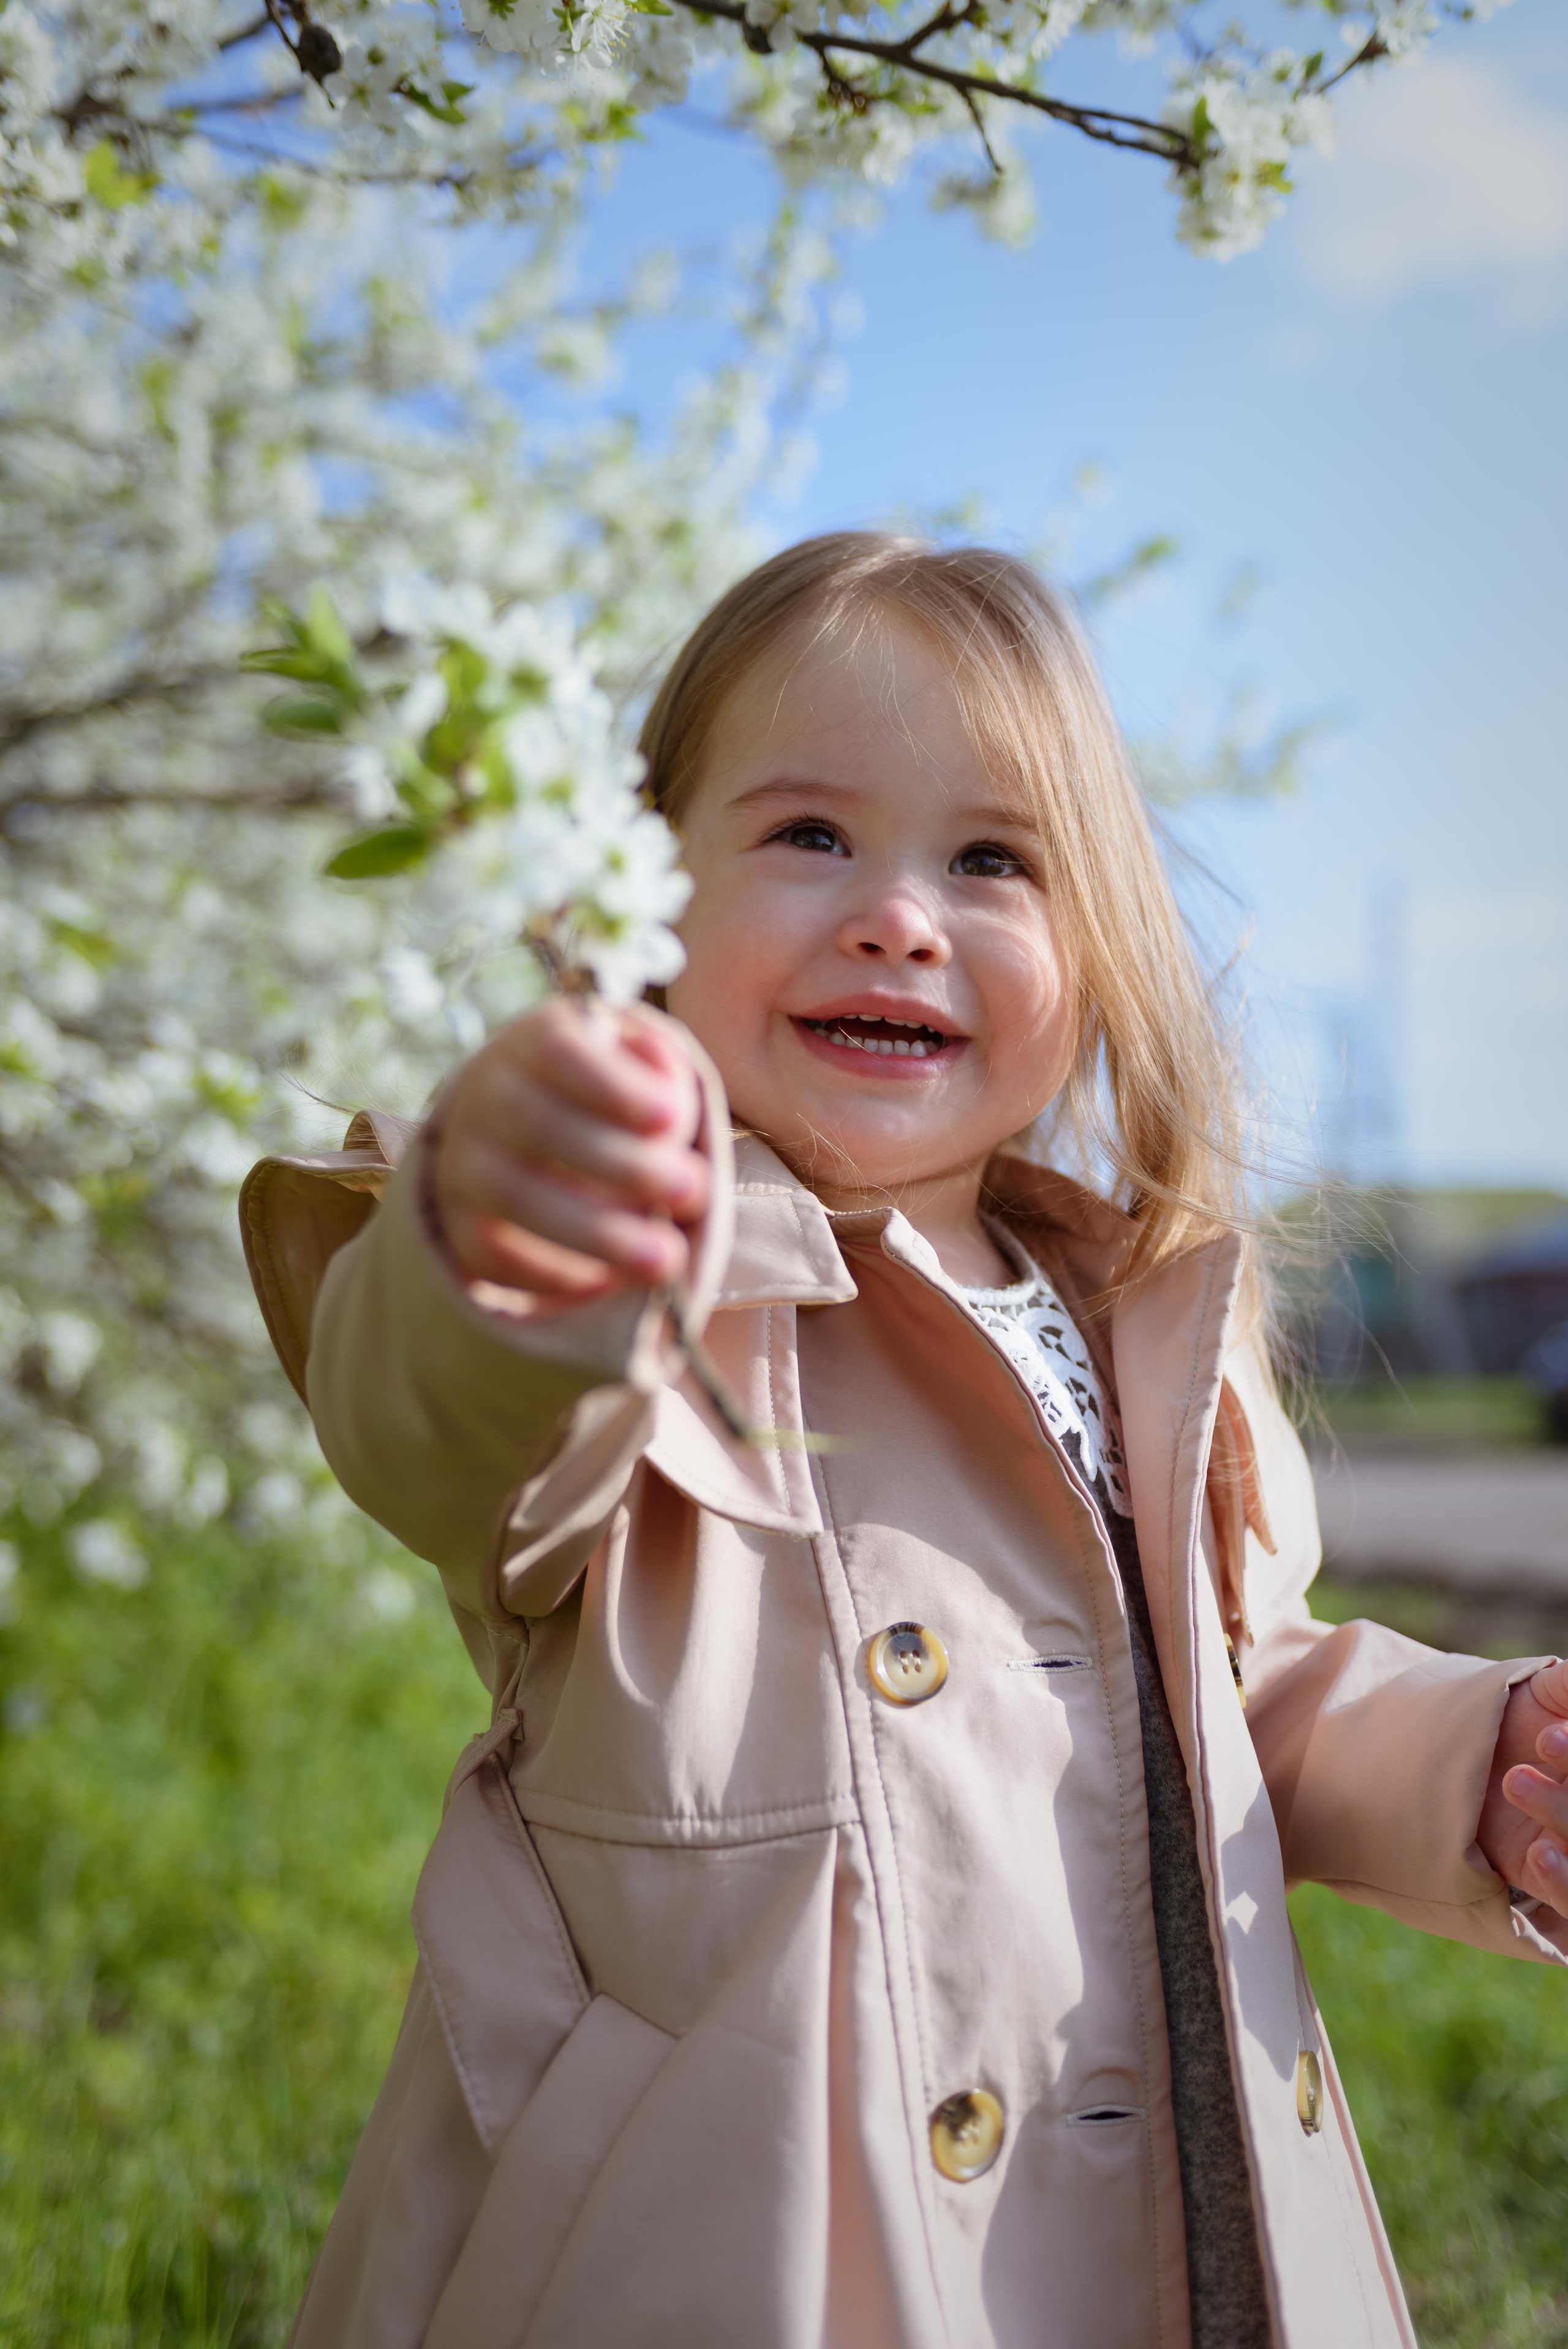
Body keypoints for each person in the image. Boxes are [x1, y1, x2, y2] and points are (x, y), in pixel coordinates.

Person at [241, 534, 1568, 2349]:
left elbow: (1238, 1704)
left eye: (993, 860)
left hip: (1159, 2244)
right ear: (637, 902)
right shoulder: (642, 1272)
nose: (898, 914)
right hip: (751, 2249)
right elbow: (435, 1415)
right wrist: (518, 1219)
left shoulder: (1139, 1311)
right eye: (807, 837)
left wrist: (1473, 1760)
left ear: (1095, 941)